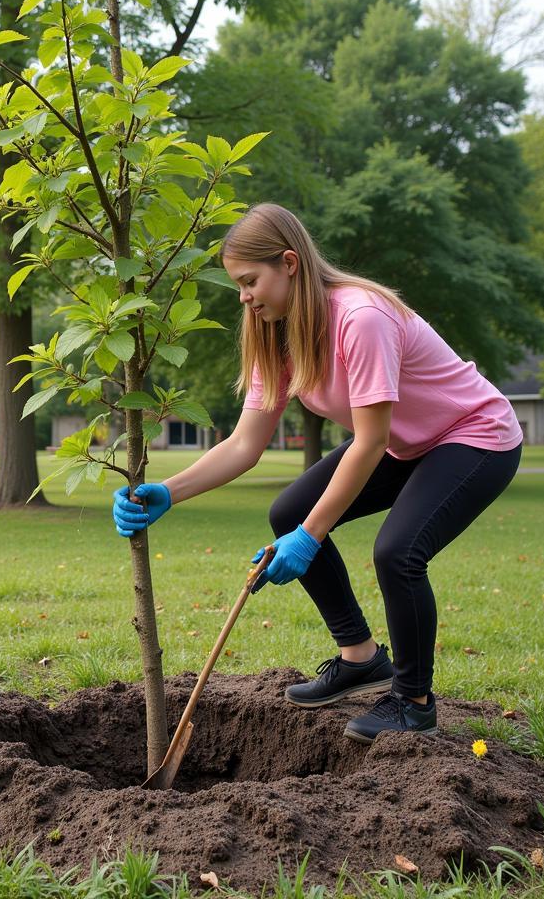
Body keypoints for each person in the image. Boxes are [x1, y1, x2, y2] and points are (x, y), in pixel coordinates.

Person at [111, 203, 522, 742]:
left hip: (474, 435)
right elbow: (244, 444)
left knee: (398, 553)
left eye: (250, 281)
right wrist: (168, 491)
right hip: (407, 444)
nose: (243, 297)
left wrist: (310, 537)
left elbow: (370, 440)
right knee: (287, 511)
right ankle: (361, 658)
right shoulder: (274, 334)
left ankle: (413, 703)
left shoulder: (361, 316)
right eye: (237, 285)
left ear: (289, 263)